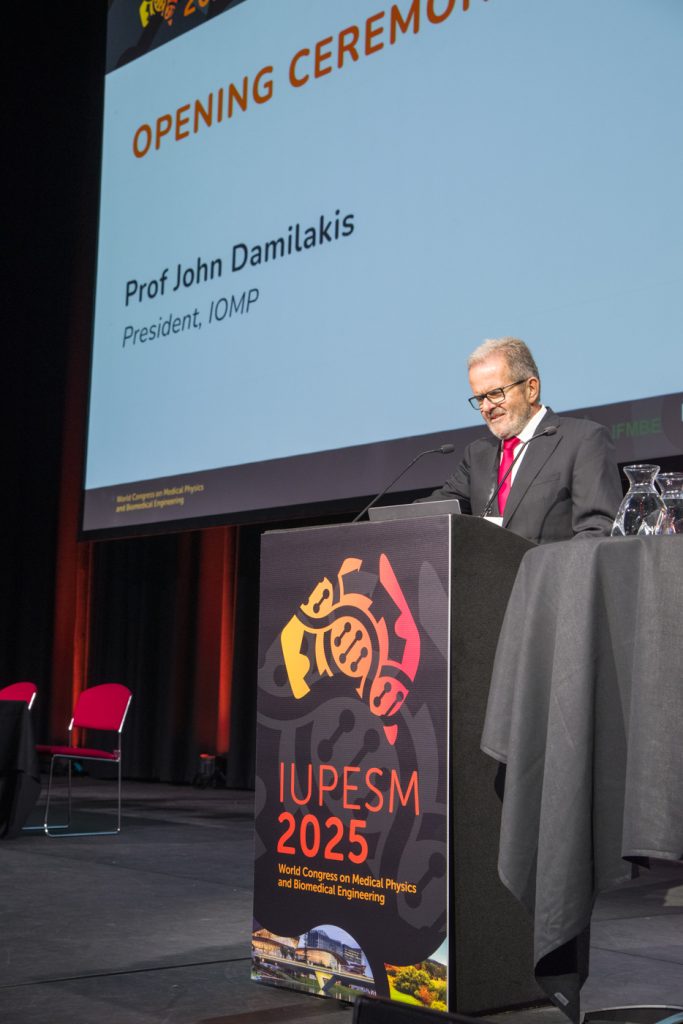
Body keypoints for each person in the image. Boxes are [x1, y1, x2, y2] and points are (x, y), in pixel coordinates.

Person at [425, 337, 623, 544]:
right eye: (480, 398)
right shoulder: (477, 455)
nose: (487, 407)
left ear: (531, 389)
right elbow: (432, 511)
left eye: (495, 393)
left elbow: (598, 530)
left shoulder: (582, 439)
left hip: (553, 566)